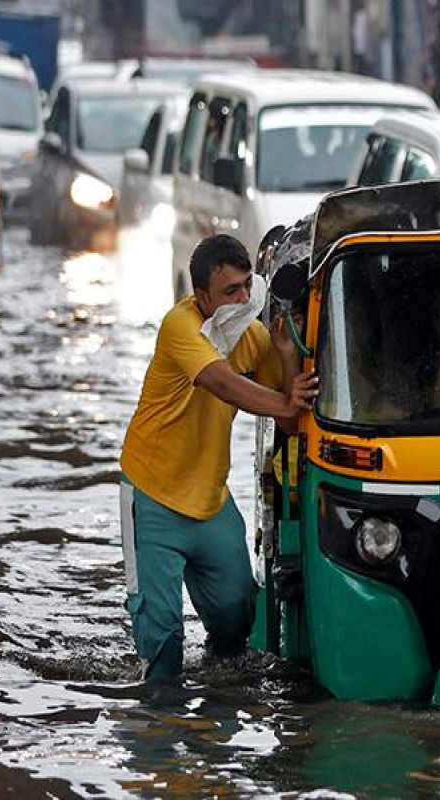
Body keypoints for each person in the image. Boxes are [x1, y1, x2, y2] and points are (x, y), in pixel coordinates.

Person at [119, 234, 318, 683]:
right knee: (163, 642)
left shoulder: (254, 336)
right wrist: (286, 402)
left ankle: (216, 720)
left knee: (236, 622)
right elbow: (222, 382)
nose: (244, 298)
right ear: (202, 297)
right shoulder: (179, 326)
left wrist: (286, 356)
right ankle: (160, 733)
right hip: (153, 496)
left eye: (248, 286)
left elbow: (288, 420)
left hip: (210, 500)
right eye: (231, 292)